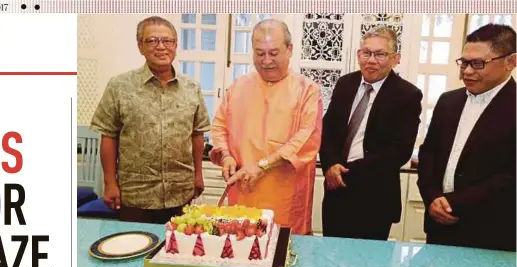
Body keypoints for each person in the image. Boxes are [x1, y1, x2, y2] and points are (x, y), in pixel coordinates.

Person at [90, 16, 210, 224]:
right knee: (132, 250)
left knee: (176, 251)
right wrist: (110, 182)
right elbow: (108, 135)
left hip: (180, 192)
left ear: (175, 45)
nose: (161, 47)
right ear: (140, 46)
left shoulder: (192, 88)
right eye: (152, 41)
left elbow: (197, 135)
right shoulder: (120, 86)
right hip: (136, 195)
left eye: (168, 41)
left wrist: (198, 175)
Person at [209, 19, 323, 235]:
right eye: (260, 54)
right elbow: (219, 126)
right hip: (243, 194)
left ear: (289, 50)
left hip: (285, 199)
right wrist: (225, 156)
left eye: (274, 53)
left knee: (281, 258)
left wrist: (262, 166)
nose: (267, 61)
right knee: (241, 252)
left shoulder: (307, 90)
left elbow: (306, 140)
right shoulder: (239, 86)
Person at [417, 23, 516, 251]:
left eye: (478, 63)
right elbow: (428, 152)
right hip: (438, 227)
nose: (467, 71)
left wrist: (454, 204)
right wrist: (432, 198)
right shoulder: (448, 101)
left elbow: (511, 176)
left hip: (491, 232)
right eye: (464, 63)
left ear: (510, 62)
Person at [319, 26, 422, 240]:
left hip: (374, 199)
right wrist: (330, 165)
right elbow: (327, 130)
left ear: (396, 58)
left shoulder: (407, 95)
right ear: (359, 55)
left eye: (380, 54)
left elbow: (399, 151)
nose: (371, 60)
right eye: (366, 53)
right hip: (335, 193)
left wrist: (344, 171)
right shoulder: (345, 83)